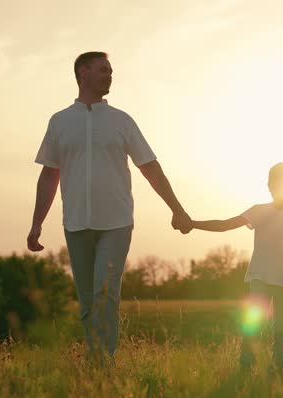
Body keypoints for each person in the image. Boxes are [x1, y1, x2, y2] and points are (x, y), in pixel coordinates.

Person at [26, 51, 192, 357]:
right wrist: (36, 223)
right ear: (83, 73)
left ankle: (105, 362)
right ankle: (96, 363)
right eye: (104, 70)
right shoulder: (60, 122)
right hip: (75, 223)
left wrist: (177, 209)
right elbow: (49, 175)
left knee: (106, 295)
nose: (110, 75)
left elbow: (150, 166)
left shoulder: (122, 121)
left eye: (111, 71)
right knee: (88, 301)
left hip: (116, 222)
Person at [189, 163, 283, 373]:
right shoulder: (258, 211)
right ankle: (245, 370)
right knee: (252, 329)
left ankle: (277, 374)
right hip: (260, 280)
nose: (280, 187)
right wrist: (193, 223)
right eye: (276, 183)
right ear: (269, 186)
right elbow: (225, 225)